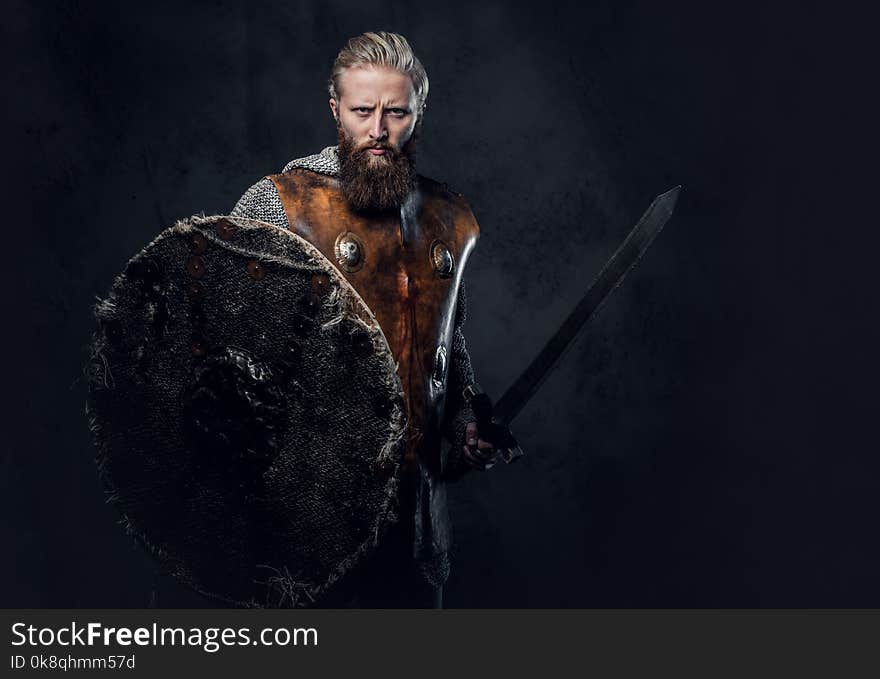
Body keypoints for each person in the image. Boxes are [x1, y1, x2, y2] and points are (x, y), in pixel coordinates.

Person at [230, 31, 498, 608]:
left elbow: (447, 350)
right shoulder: (280, 204)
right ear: (336, 110)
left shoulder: (446, 219)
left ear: (418, 112)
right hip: (307, 524)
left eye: (396, 111)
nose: (378, 129)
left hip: (416, 528)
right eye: (362, 110)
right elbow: (230, 356)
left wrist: (467, 423)